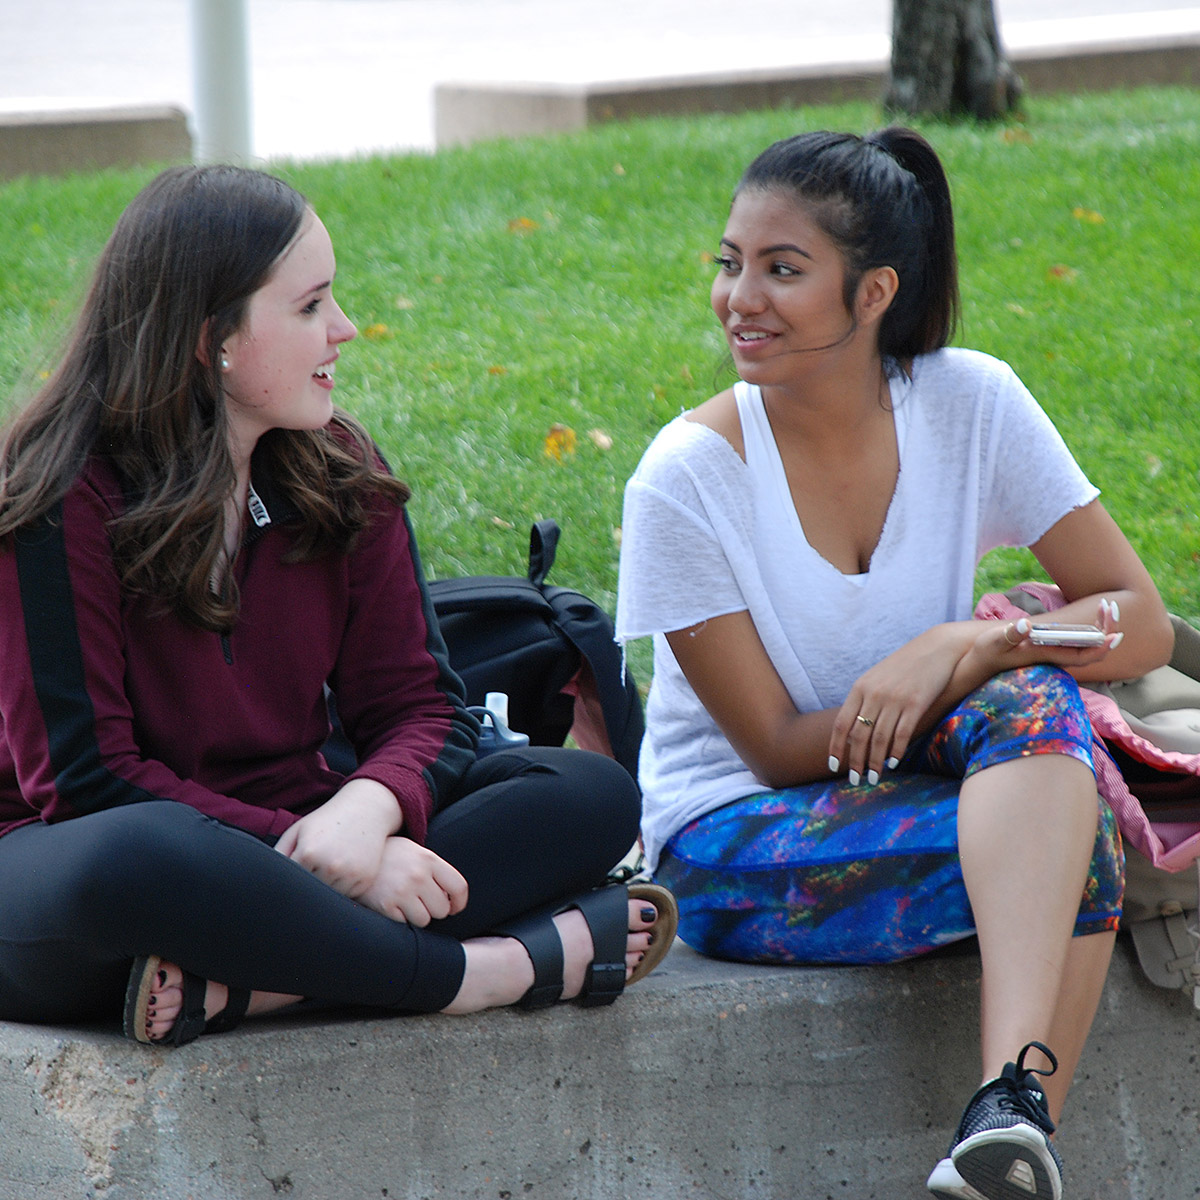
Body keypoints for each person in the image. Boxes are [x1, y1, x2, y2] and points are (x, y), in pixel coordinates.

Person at [0, 164, 677, 1049]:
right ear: (214, 340)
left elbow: (422, 706)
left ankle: (259, 987)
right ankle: (479, 973)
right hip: (91, 863)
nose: (345, 329)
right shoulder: (58, 497)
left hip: (314, 821)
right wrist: (328, 854)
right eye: (311, 305)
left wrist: (369, 810)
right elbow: (87, 780)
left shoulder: (339, 468)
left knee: (585, 792)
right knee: (141, 860)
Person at [615, 127, 1172, 1200]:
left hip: (915, 784)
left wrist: (970, 641)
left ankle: (1003, 1131)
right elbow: (776, 750)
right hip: (729, 837)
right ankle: (1016, 1123)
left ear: (872, 293)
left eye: (783, 270)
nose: (741, 297)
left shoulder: (971, 402)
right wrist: (955, 682)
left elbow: (1138, 618)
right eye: (731, 263)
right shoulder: (684, 481)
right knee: (1079, 833)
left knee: (1035, 695)